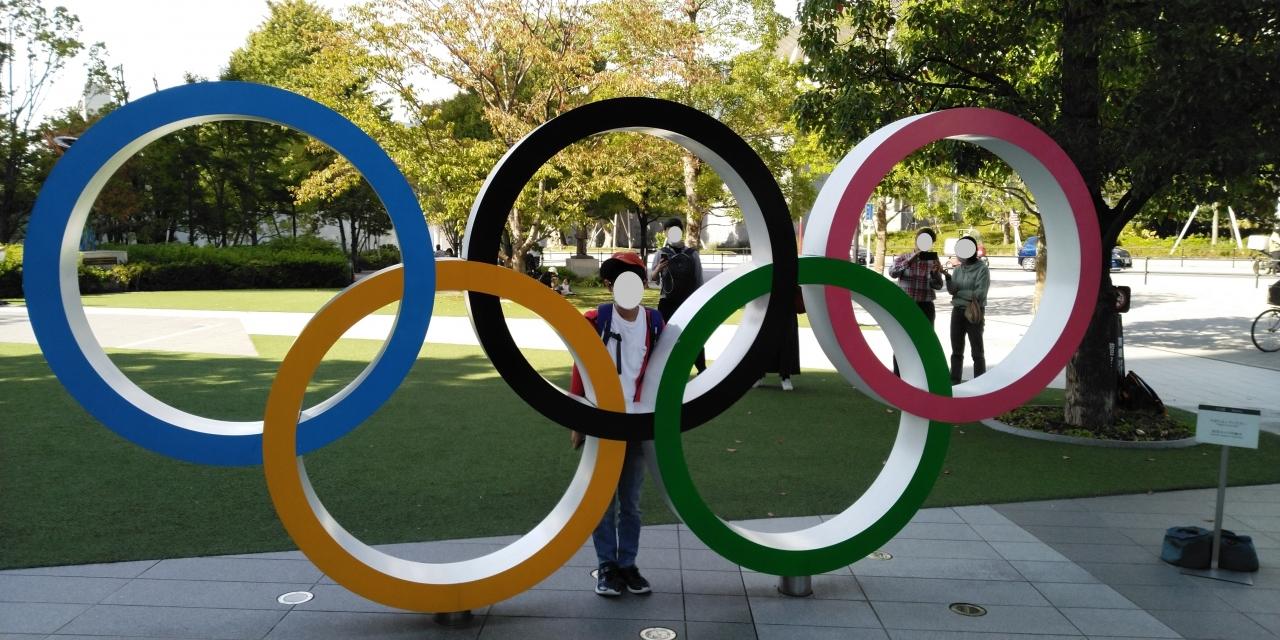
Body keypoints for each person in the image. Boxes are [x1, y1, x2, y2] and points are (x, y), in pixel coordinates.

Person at [569, 251, 663, 598]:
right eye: (619, 281)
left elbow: (662, 369)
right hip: (602, 420)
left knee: (631, 502)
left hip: (636, 423)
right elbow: (580, 366)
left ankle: (628, 564)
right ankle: (607, 566)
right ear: (609, 285)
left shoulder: (655, 323)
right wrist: (577, 420)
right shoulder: (595, 320)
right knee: (602, 501)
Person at [649, 218, 706, 373]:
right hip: (667, 302)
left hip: (688, 302)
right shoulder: (661, 253)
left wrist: (698, 302)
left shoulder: (692, 254)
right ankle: (660, 371)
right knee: (663, 337)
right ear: (666, 233)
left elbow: (699, 280)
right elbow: (653, 278)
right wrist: (658, 268)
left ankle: (702, 369)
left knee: (693, 336)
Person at [888, 228, 944, 376]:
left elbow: (938, 285)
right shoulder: (904, 257)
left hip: (926, 305)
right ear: (916, 240)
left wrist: (935, 274)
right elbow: (892, 272)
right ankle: (898, 376)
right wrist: (911, 260)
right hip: (906, 305)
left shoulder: (933, 260)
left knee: (925, 342)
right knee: (902, 340)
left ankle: (922, 376)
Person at [942, 235, 990, 384]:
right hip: (957, 312)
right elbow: (952, 291)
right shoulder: (958, 269)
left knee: (977, 352)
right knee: (956, 350)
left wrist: (960, 293)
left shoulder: (982, 269)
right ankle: (954, 382)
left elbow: (980, 294)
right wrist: (948, 278)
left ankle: (980, 383)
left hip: (974, 312)